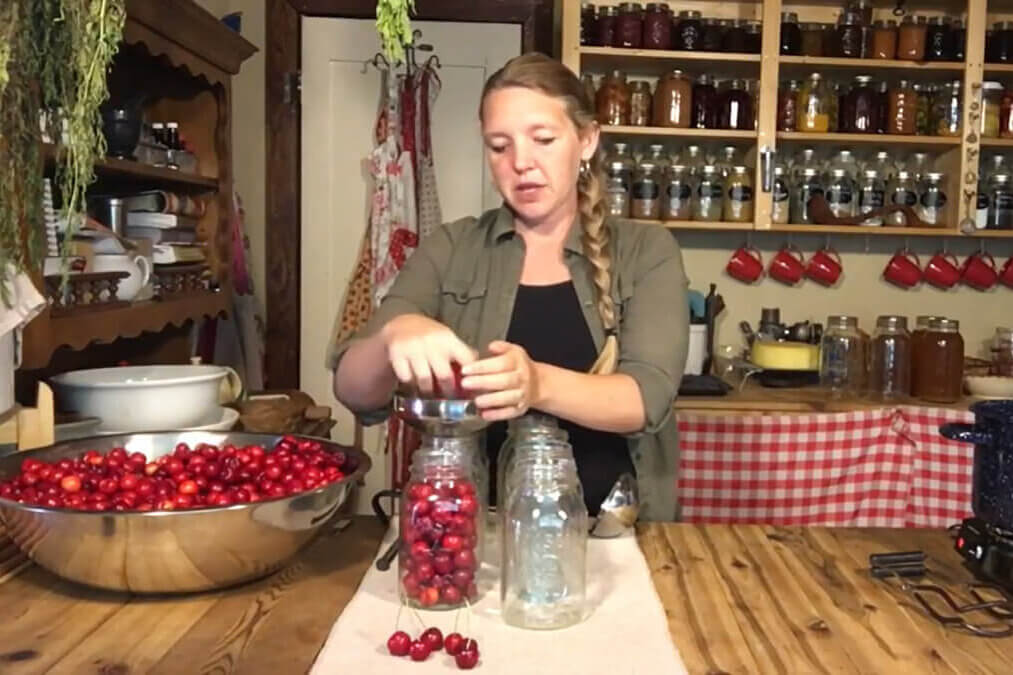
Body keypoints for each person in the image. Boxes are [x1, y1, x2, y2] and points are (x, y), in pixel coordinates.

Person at [329, 53, 689, 521]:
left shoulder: (646, 250)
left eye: (543, 139)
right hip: (473, 536)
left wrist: (535, 383)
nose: (521, 163)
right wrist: (395, 332)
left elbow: (647, 398)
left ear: (586, 139)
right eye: (499, 146)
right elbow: (353, 389)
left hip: (620, 534)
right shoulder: (452, 247)